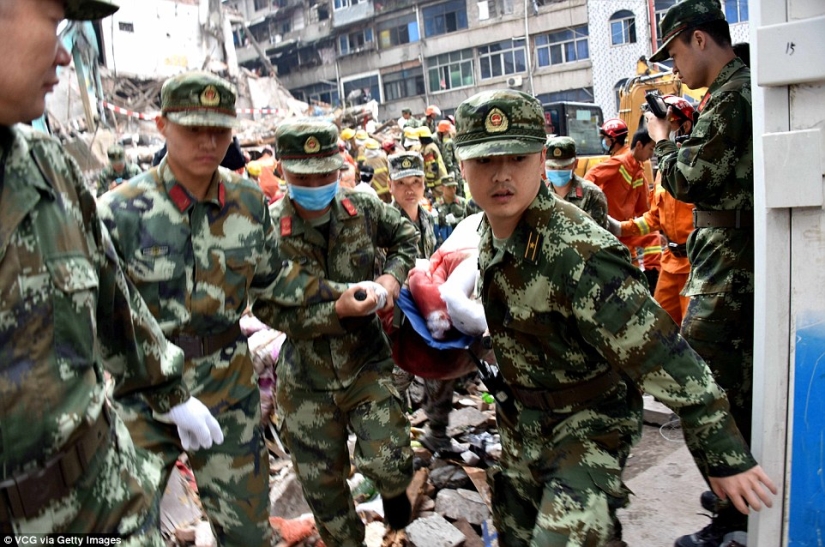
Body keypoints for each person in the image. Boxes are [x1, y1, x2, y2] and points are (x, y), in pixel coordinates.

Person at [453, 88, 776, 547]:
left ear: (541, 160)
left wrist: (724, 454)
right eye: (485, 161)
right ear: (461, 166)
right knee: (519, 533)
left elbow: (668, 356)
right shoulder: (490, 229)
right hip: (524, 419)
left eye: (518, 158)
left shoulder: (580, 253)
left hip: (589, 422)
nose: (502, 175)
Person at [0, 0, 222, 539]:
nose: (62, 54)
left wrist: (168, 391)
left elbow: (113, 298)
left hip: (106, 499)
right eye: (54, 24)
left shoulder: (48, 168)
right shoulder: (127, 200)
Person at [98, 71, 330, 546]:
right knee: (124, 529)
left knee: (247, 532)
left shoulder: (246, 201)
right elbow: (102, 316)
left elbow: (273, 282)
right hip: (144, 393)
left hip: (228, 387)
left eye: (219, 129)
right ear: (162, 126)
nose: (208, 141)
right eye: (193, 128)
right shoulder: (120, 211)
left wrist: (339, 298)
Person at [252, 118, 418, 547]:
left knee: (390, 460)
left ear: (339, 165)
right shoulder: (268, 230)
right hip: (306, 379)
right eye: (304, 176)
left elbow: (405, 236)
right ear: (283, 169)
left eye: (326, 172)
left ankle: (395, 493)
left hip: (366, 361)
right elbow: (265, 304)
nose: (317, 183)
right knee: (325, 496)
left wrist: (391, 281)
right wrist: (334, 313)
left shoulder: (361, 208)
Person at [647, 0, 756, 543]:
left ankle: (736, 515)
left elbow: (688, 178)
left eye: (673, 53)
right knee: (728, 386)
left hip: (730, 263)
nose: (674, 68)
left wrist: (663, 141)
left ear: (697, 39)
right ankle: (734, 498)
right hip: (722, 252)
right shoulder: (727, 94)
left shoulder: (734, 95)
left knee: (700, 384)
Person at [610, 95, 696, 325]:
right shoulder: (663, 172)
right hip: (670, 263)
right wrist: (619, 228)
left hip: (695, 265)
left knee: (692, 336)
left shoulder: (698, 167)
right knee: (659, 328)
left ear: (685, 126)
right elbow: (655, 218)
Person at [586, 128, 661, 291]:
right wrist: (589, 205)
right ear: (639, 145)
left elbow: (643, 211)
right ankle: (649, 279)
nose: (652, 154)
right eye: (651, 149)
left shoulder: (639, 174)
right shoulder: (620, 162)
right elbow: (591, 176)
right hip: (608, 227)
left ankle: (651, 278)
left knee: (652, 237)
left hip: (625, 230)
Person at [544, 135, 608, 230]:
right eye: (552, 167)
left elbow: (599, 238)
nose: (557, 171)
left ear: (575, 164)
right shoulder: (539, 193)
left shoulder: (592, 195)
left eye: (564, 167)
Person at [418, 125, 448, 200]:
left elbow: (431, 167)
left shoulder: (428, 149)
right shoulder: (431, 145)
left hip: (437, 183)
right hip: (441, 180)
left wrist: (429, 184)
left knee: (439, 202)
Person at [435, 174, 468, 243]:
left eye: (454, 187)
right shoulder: (436, 206)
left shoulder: (462, 203)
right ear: (442, 188)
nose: (452, 190)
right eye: (449, 187)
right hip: (445, 241)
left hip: (462, 239)